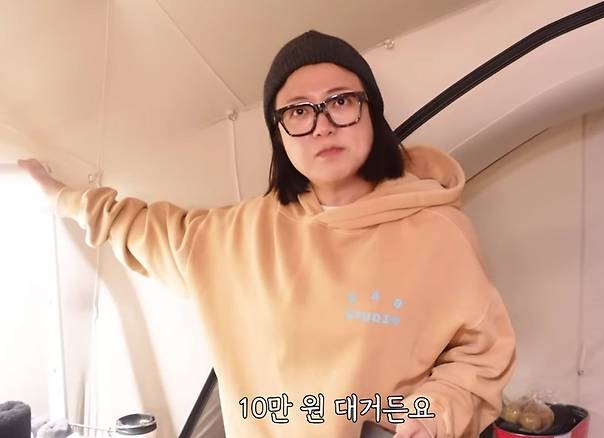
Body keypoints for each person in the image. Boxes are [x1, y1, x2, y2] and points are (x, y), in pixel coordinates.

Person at [18, 30, 516, 438]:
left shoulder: (437, 230)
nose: (322, 125)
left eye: (341, 101)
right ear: (279, 133)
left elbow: (480, 356)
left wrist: (428, 416)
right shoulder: (237, 236)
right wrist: (57, 195)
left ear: (371, 112)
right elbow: (134, 225)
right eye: (298, 110)